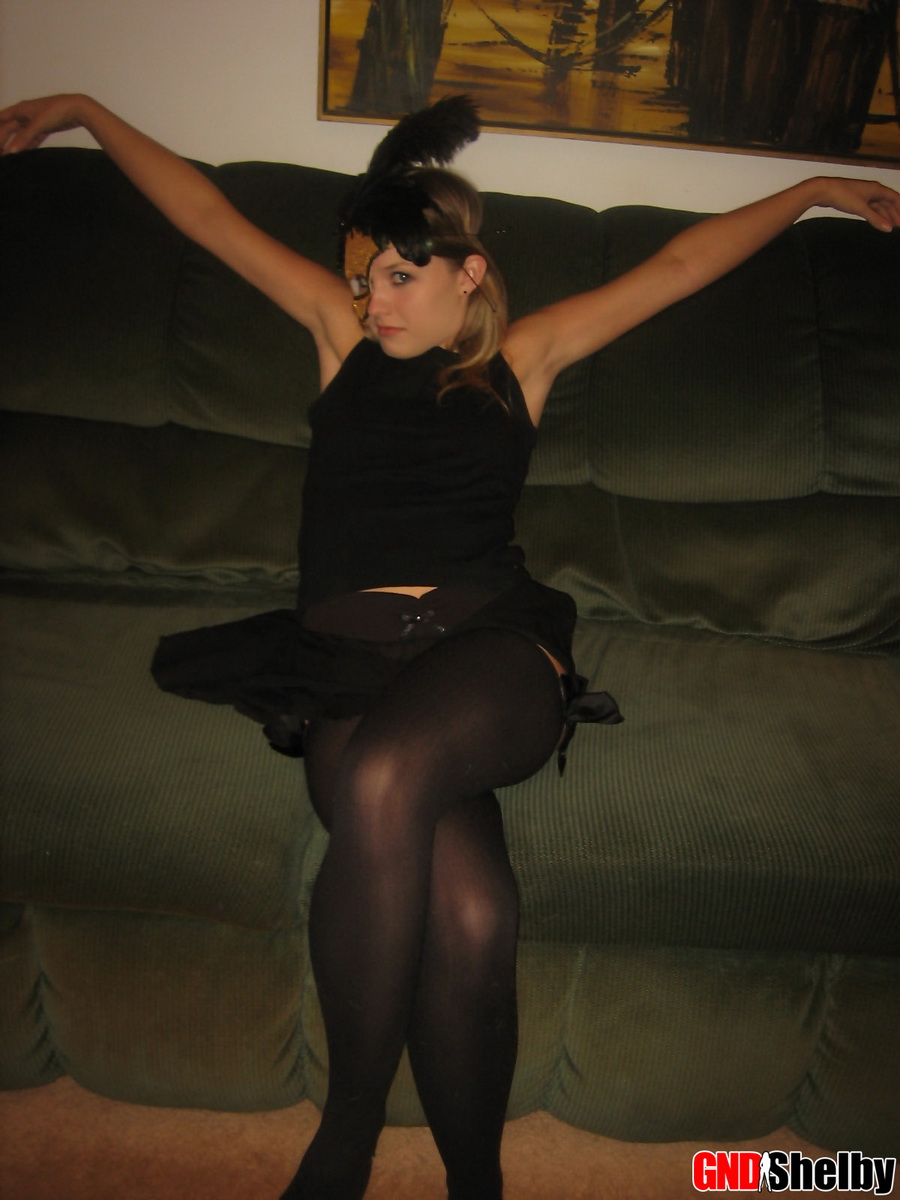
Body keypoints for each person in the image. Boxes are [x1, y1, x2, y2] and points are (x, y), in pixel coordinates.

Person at [2, 92, 898, 1200]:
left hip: (487, 652)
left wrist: (809, 189)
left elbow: (677, 268)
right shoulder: (337, 339)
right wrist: (86, 111)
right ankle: (478, 1183)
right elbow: (206, 217)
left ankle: (345, 1138)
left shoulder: (524, 361)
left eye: (399, 277)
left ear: (469, 273)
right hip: (346, 664)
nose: (372, 301)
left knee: (384, 779)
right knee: (475, 913)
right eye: (363, 279)